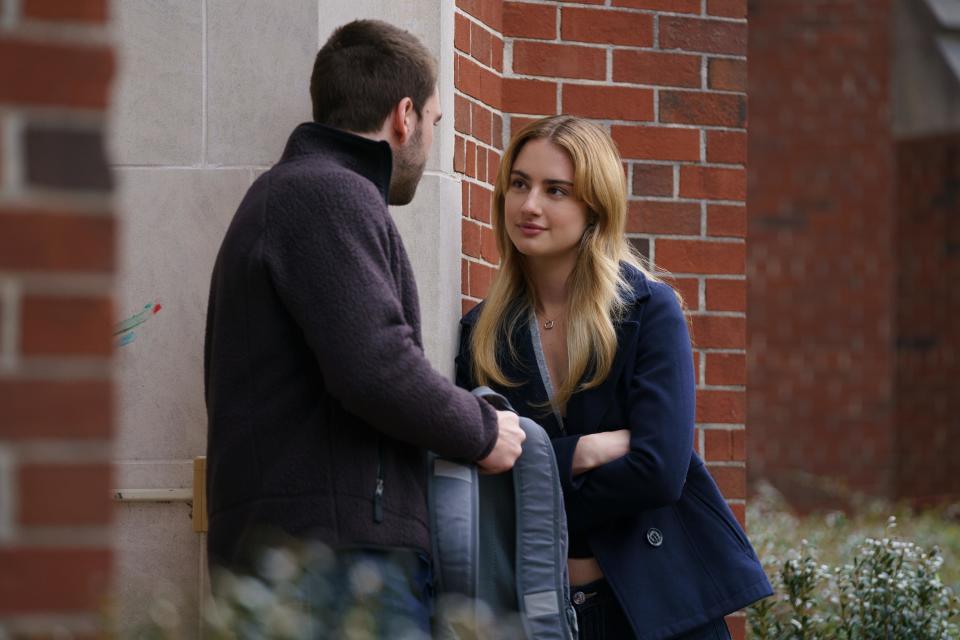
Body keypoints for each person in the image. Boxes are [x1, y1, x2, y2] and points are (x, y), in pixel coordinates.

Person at [203, 19, 524, 638]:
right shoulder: (328, 194)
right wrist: (483, 430)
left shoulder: (303, 193)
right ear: (403, 115)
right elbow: (376, 366)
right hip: (333, 569)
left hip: (311, 562)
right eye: (435, 121)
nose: (430, 140)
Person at [456, 116, 773, 639]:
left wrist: (532, 476)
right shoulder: (483, 333)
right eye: (519, 183)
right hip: (541, 614)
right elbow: (480, 482)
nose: (529, 205)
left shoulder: (648, 310)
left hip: (657, 609)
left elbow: (658, 471)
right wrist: (584, 451)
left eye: (555, 190)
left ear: (594, 207)